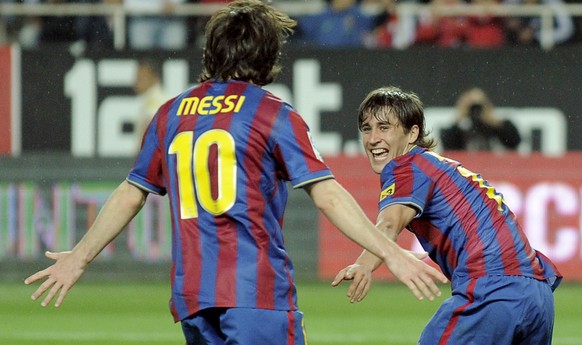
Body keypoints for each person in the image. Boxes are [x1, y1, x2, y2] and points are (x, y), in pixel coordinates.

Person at [24, 2, 447, 344]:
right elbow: (328, 194)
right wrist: (392, 254)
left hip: (193, 298)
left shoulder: (170, 113)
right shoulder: (271, 113)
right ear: (267, 56)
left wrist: (79, 257)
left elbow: (131, 193)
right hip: (255, 295)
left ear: (212, 52)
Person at [332, 85, 562, 344]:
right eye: (366, 128)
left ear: (412, 133)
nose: (373, 138)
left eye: (384, 127)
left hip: (493, 293)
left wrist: (364, 264)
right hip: (537, 296)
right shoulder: (438, 166)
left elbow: (388, 225)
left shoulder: (406, 167)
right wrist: (403, 256)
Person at [440, 87, 521, 151]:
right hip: (466, 167)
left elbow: (515, 142)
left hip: (496, 167)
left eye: (479, 106)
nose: (476, 109)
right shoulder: (458, 128)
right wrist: (461, 117)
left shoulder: (500, 126)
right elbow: (448, 148)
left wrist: (491, 120)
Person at [132, 58, 166, 151]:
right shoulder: (150, 98)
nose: (135, 82)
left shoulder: (154, 100)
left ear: (154, 79)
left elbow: (152, 126)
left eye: (141, 78)